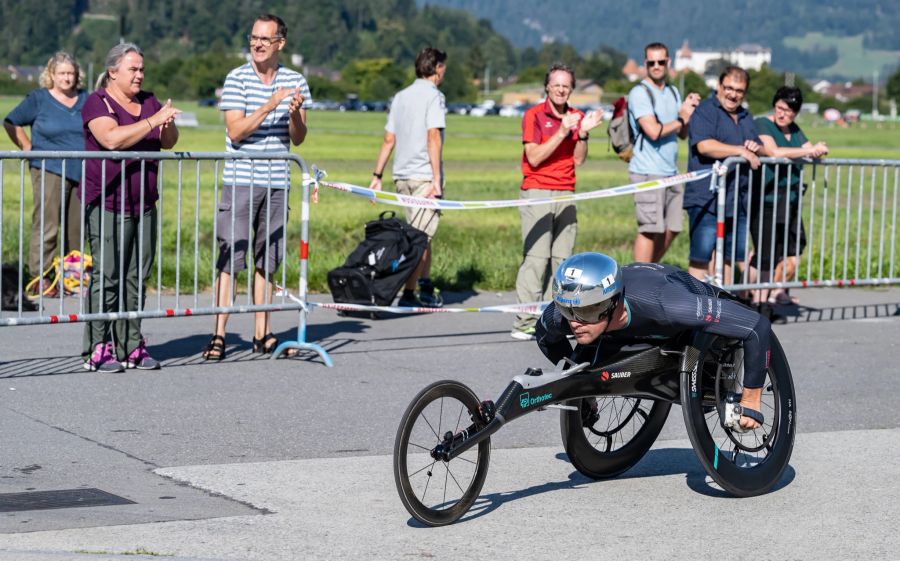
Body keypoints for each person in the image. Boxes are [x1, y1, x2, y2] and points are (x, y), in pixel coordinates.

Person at [535, 252, 770, 431]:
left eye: (586, 312)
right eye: (568, 310)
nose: (575, 322)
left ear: (612, 302)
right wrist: (578, 384)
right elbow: (545, 337)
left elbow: (756, 326)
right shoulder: (562, 315)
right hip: (639, 321)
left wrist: (750, 399)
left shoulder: (669, 305)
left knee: (710, 385)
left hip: (679, 299)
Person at [203, 13, 310, 361]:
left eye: (265, 39)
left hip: (278, 181)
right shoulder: (237, 78)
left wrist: (293, 112)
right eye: (253, 38)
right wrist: (269, 104)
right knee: (231, 258)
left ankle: (262, 333)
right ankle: (218, 334)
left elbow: (299, 137)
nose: (258, 44)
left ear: (281, 43)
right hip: (241, 180)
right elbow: (235, 132)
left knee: (268, 260)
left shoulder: (296, 81)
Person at [81, 43, 180, 372]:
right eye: (133, 69)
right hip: (108, 202)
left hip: (144, 203)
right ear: (112, 72)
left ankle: (132, 344)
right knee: (107, 276)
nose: (139, 75)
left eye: (141, 69)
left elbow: (168, 142)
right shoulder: (97, 102)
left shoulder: (149, 101)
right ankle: (98, 346)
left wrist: (167, 125)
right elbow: (111, 139)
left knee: (137, 277)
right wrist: (154, 122)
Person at [510, 63, 603, 340]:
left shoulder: (576, 116)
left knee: (563, 261)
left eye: (566, 85)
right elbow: (535, 157)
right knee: (537, 259)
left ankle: (553, 318)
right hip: (538, 190)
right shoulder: (534, 115)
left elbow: (579, 159)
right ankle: (524, 320)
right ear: (547, 87)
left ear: (571, 88)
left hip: (567, 192)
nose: (561, 89)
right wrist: (562, 131)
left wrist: (583, 133)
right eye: (556, 84)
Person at [4, 52, 88, 295]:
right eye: (61, 73)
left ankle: (73, 277)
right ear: (51, 75)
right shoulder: (39, 99)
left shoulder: (85, 99)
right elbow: (12, 121)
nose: (66, 78)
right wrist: (27, 148)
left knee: (77, 228)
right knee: (47, 224)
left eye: (70, 73)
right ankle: (41, 276)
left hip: (81, 169)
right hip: (49, 167)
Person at [369, 47, 447, 308]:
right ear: (436, 68)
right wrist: (436, 179)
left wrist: (377, 174)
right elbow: (433, 136)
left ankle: (420, 286)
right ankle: (411, 292)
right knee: (421, 237)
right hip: (424, 175)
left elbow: (388, 138)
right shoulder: (434, 96)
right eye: (443, 67)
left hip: (400, 175)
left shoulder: (400, 96)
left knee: (419, 235)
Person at [749, 86, 828, 310]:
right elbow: (774, 152)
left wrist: (819, 149)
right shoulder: (763, 123)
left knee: (790, 248)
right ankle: (754, 296)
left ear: (796, 113)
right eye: (780, 108)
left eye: (789, 111)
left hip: (790, 199)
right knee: (764, 252)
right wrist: (808, 152)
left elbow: (811, 149)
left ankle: (774, 291)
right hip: (766, 197)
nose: (783, 114)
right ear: (774, 106)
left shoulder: (794, 129)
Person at [684, 66, 762, 283]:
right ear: (718, 86)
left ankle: (724, 306)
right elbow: (704, 146)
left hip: (737, 198)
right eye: (728, 88)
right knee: (701, 256)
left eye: (739, 90)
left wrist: (754, 147)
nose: (733, 94)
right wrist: (739, 150)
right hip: (706, 198)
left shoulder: (746, 116)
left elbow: (760, 146)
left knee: (729, 256)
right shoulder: (705, 111)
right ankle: (696, 308)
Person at [627, 42, 700, 263]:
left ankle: (649, 272)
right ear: (645, 64)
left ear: (668, 62)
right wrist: (680, 119)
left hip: (671, 171)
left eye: (661, 61)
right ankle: (636, 281)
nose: (657, 66)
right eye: (652, 63)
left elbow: (683, 133)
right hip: (647, 170)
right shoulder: (639, 93)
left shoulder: (673, 91)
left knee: (674, 227)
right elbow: (653, 131)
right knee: (649, 229)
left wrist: (688, 111)